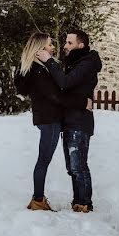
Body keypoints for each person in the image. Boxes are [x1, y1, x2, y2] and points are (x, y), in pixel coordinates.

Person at [15, 32, 92, 212]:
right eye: (50, 45)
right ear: (41, 48)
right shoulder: (40, 71)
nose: (53, 48)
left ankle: (38, 198)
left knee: (43, 160)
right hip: (50, 121)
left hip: (46, 119)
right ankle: (38, 200)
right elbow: (56, 97)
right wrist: (83, 103)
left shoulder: (37, 69)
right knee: (43, 160)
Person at [35, 29, 102, 213]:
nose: (64, 46)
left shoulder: (87, 63)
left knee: (78, 166)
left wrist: (49, 61)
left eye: (69, 43)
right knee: (72, 167)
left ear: (81, 45)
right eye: (65, 42)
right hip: (70, 120)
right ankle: (78, 201)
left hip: (79, 121)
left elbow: (65, 83)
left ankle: (85, 203)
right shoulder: (75, 63)